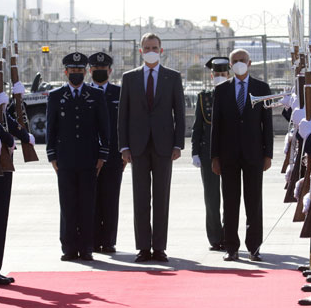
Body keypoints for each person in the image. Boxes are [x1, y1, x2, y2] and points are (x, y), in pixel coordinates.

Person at [118, 33, 185, 262]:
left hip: (164, 146)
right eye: (146, 47)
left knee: (161, 198)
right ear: (140, 50)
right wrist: (124, 147)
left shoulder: (172, 77)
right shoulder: (129, 78)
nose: (150, 50)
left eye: (154, 47)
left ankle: (159, 248)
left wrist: (178, 143)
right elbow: (123, 116)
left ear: (161, 50)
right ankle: (143, 248)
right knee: (140, 198)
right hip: (137, 147)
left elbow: (179, 113)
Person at [210, 49, 273, 261]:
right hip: (228, 156)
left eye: (242, 60)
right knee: (230, 201)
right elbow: (215, 127)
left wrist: (268, 154)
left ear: (250, 62)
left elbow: (268, 125)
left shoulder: (261, 88)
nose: (239, 64)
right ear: (230, 64)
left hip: (254, 154)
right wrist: (214, 156)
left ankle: (254, 247)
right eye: (235, 61)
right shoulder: (221, 90)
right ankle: (231, 247)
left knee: (254, 201)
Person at [46, 52, 109, 262]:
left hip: (89, 159)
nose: (76, 74)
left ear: (85, 72)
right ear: (65, 72)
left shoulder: (95, 95)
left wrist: (102, 155)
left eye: (80, 71)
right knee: (68, 204)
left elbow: (104, 128)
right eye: (72, 71)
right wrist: (51, 155)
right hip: (64, 159)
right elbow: (50, 129)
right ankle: (69, 247)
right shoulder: (56, 96)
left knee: (87, 204)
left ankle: (86, 247)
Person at [192, 56, 228, 252]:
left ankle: (229, 235)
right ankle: (215, 238)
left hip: (230, 153)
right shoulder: (203, 97)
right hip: (207, 154)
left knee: (230, 197)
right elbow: (197, 127)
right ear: (211, 75)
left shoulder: (234, 94)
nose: (220, 76)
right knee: (212, 198)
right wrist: (194, 152)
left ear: (229, 74)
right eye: (217, 74)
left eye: (223, 74)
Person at [89, 51, 123, 254]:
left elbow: (125, 124)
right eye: (95, 69)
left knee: (111, 199)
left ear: (110, 70)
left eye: (103, 69)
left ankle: (109, 241)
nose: (99, 71)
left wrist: (125, 152)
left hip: (114, 155)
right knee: (91, 199)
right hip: (89, 156)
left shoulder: (120, 93)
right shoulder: (84, 92)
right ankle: (92, 240)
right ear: (89, 71)